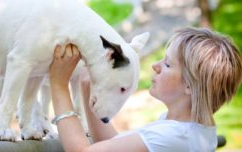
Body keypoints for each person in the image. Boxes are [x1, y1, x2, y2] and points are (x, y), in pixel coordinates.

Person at [49, 27, 242, 152]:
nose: (155, 65)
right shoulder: (191, 129)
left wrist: (58, 85)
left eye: (167, 64)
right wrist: (87, 86)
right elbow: (116, 143)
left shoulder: (173, 136)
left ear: (189, 86)